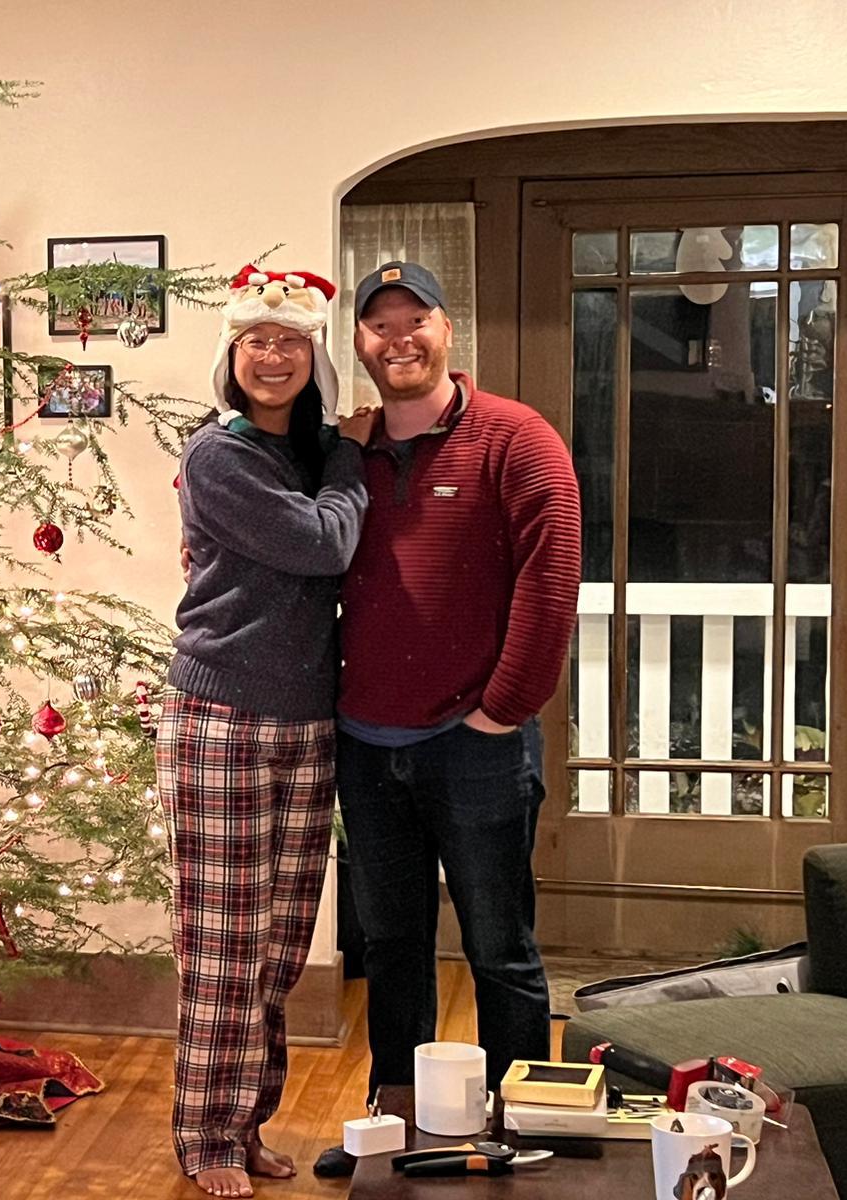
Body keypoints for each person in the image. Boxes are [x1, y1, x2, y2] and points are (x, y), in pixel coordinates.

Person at [335, 261, 582, 1102]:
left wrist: (500, 713)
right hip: (365, 748)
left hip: (477, 746)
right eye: (379, 325)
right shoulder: (346, 452)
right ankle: (399, 1125)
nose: (398, 339)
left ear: (448, 328)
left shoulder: (517, 438)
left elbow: (551, 581)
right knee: (390, 949)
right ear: (359, 342)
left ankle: (521, 1126)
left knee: (499, 951)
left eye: (416, 320)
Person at [158, 265, 377, 1199]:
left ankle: (246, 1123)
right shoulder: (222, 454)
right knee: (223, 945)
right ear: (232, 355)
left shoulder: (310, 453)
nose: (275, 357)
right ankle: (206, 1137)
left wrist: (339, 458)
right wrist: (351, 461)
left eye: (291, 341)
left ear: (314, 357)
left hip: (306, 719)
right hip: (222, 718)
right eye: (257, 341)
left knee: (281, 944)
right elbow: (325, 544)